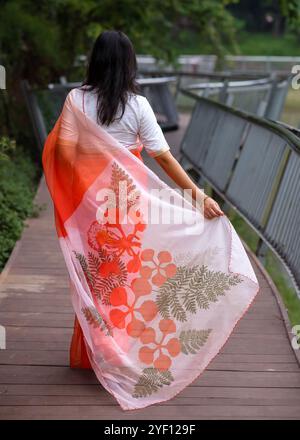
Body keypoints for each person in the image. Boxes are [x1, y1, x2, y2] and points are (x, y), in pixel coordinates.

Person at [42, 30, 259, 411]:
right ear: (129, 64)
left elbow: (64, 151)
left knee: (97, 275)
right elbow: (163, 157)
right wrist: (199, 197)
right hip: (128, 203)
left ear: (94, 61)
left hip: (92, 206)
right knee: (126, 273)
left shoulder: (76, 100)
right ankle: (119, 351)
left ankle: (96, 352)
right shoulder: (139, 106)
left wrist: (94, 160)